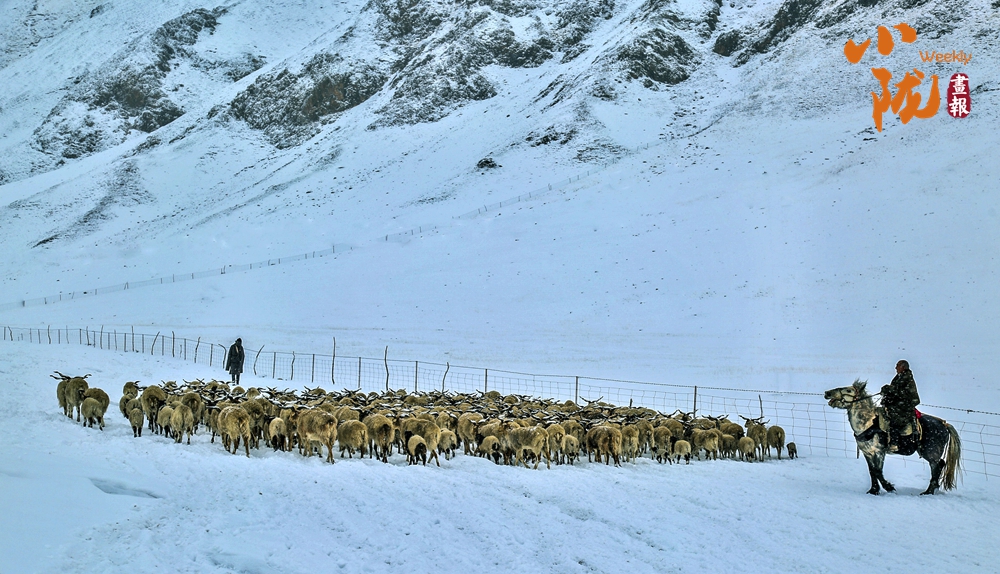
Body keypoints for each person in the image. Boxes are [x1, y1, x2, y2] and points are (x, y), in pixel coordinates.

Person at [881, 359, 921, 453]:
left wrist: (891, 390)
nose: (895, 368)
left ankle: (894, 444)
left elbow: (906, 394)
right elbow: (896, 391)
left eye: (897, 365)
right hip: (898, 406)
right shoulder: (899, 377)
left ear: (903, 367)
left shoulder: (908, 378)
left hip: (905, 409)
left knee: (895, 420)